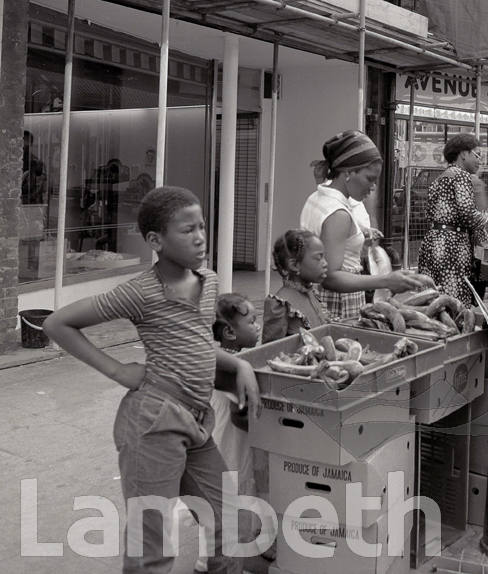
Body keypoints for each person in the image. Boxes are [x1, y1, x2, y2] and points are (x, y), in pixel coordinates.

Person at [43, 186, 259, 574]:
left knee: (230, 521)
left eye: (202, 227)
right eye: (187, 230)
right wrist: (118, 371)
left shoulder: (208, 281)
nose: (200, 238)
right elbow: (57, 324)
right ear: (155, 240)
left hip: (196, 421)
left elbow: (196, 343)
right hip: (153, 423)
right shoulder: (140, 292)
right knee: (152, 548)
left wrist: (239, 365)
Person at [301, 130, 430, 319]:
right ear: (348, 172)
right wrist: (386, 280)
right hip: (338, 302)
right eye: (370, 179)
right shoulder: (338, 213)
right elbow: (331, 277)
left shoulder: (317, 197)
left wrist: (359, 231)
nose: (373, 187)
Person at [196, 293, 266, 573]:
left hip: (224, 442)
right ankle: (215, 563)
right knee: (234, 499)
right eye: (252, 321)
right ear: (229, 332)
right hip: (230, 443)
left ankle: (218, 558)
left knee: (226, 500)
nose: (258, 326)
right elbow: (241, 415)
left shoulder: (230, 361)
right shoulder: (233, 368)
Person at [417, 133, 488, 305]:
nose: (480, 161)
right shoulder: (462, 176)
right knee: (454, 304)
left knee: (431, 301)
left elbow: (431, 213)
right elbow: (468, 217)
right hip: (452, 248)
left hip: (432, 244)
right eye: (477, 155)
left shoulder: (440, 178)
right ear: (464, 154)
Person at [263, 229, 330, 343]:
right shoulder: (281, 304)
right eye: (318, 258)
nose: (325, 263)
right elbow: (271, 349)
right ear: (294, 265)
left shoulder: (312, 294)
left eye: (324, 257)